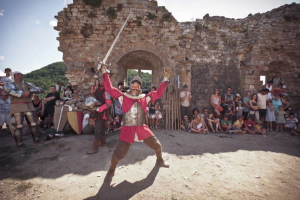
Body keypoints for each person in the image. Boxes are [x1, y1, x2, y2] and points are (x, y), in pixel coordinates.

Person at [101, 66, 171, 182]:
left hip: (141, 128)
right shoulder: (122, 97)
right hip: (127, 130)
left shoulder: (145, 97)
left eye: (137, 85)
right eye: (133, 84)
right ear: (130, 86)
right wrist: (104, 73)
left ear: (139, 87)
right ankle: (111, 170)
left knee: (157, 146)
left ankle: (160, 160)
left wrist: (166, 79)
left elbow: (158, 93)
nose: (135, 87)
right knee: (117, 155)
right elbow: (109, 88)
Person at [3, 71, 43, 147]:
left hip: (28, 105)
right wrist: (24, 93)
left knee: (33, 124)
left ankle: (36, 138)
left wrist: (30, 91)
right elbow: (14, 93)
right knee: (19, 126)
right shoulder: (10, 85)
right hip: (17, 106)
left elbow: (40, 90)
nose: (20, 76)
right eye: (18, 75)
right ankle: (19, 143)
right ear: (14, 76)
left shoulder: (27, 85)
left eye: (21, 75)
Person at [86, 77, 112, 155]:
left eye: (102, 80)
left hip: (102, 112)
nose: (100, 81)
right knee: (101, 128)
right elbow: (93, 98)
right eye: (100, 80)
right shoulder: (98, 89)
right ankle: (103, 143)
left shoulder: (107, 91)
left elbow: (108, 104)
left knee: (98, 130)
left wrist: (100, 108)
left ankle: (95, 148)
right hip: (96, 111)